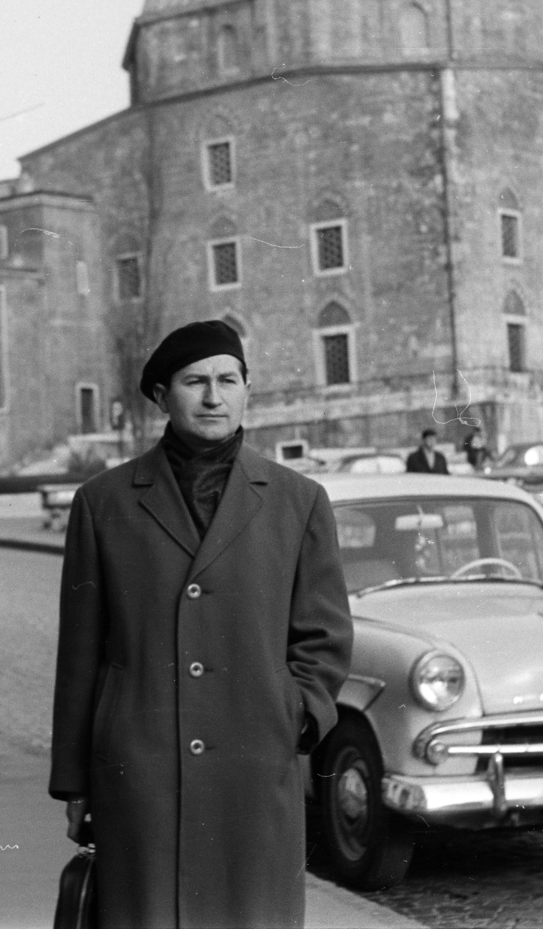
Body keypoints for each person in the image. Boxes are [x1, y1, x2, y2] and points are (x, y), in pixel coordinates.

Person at [49, 319, 353, 929]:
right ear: (162, 396)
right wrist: (74, 779)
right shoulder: (103, 502)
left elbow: (324, 638)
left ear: (246, 389)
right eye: (195, 381)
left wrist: (291, 714)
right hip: (140, 774)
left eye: (228, 380)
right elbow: (80, 655)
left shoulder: (299, 500)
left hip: (253, 767)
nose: (214, 396)